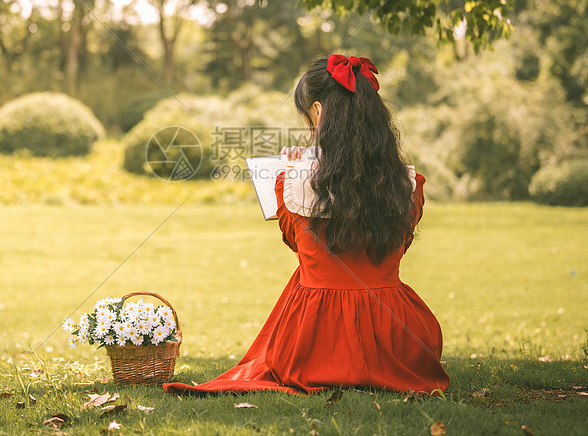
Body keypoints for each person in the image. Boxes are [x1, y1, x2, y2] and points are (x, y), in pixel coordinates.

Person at [163, 54, 449, 395]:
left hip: (312, 345)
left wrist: (297, 170)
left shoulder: (294, 182)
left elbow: (299, 245)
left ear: (317, 111)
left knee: (305, 280)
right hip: (400, 340)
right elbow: (397, 244)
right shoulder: (407, 184)